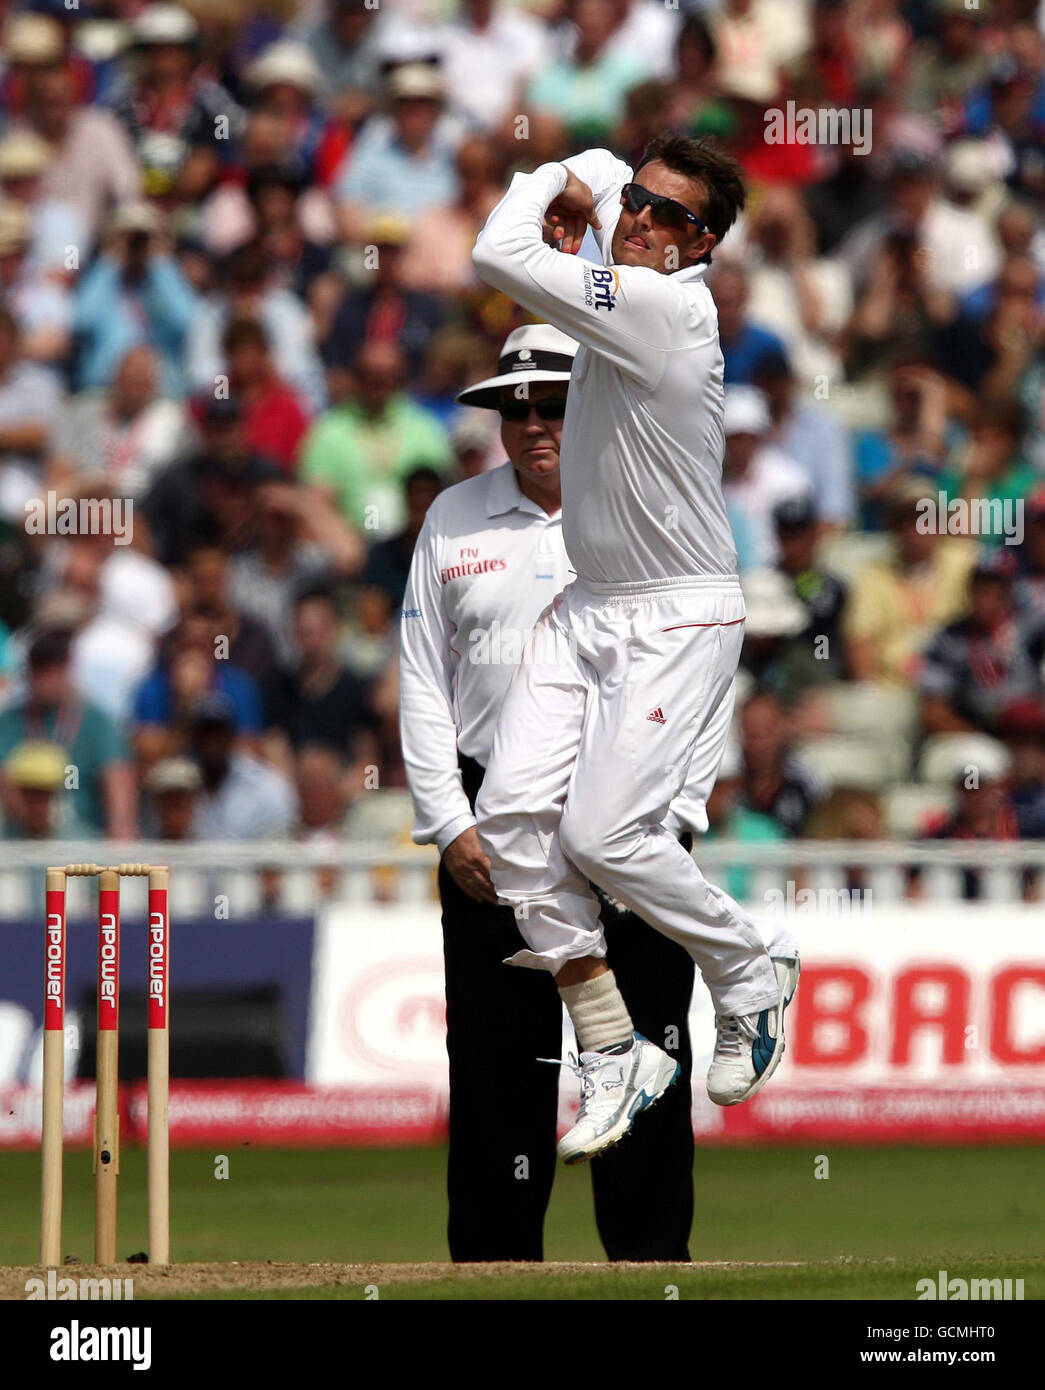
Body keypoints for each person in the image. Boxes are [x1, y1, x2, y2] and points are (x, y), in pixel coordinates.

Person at [469, 133, 800, 1165]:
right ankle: (613, 1044)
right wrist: (593, 184)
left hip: (677, 612)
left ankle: (752, 969)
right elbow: (612, 162)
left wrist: (544, 190)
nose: (644, 221)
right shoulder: (632, 234)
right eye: (641, 206)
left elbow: (495, 252)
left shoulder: (667, 306)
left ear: (701, 247)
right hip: (589, 603)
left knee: (606, 838)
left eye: (672, 219)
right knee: (513, 822)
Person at [400, 324, 697, 1261]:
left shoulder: (653, 504)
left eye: (554, 406)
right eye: (514, 408)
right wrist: (450, 824)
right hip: (493, 815)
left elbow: (698, 669)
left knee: (643, 1050)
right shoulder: (453, 516)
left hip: (628, 801)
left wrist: (671, 816)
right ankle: (491, 1273)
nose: (531, 425)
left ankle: (652, 1268)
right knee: (496, 1065)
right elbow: (420, 679)